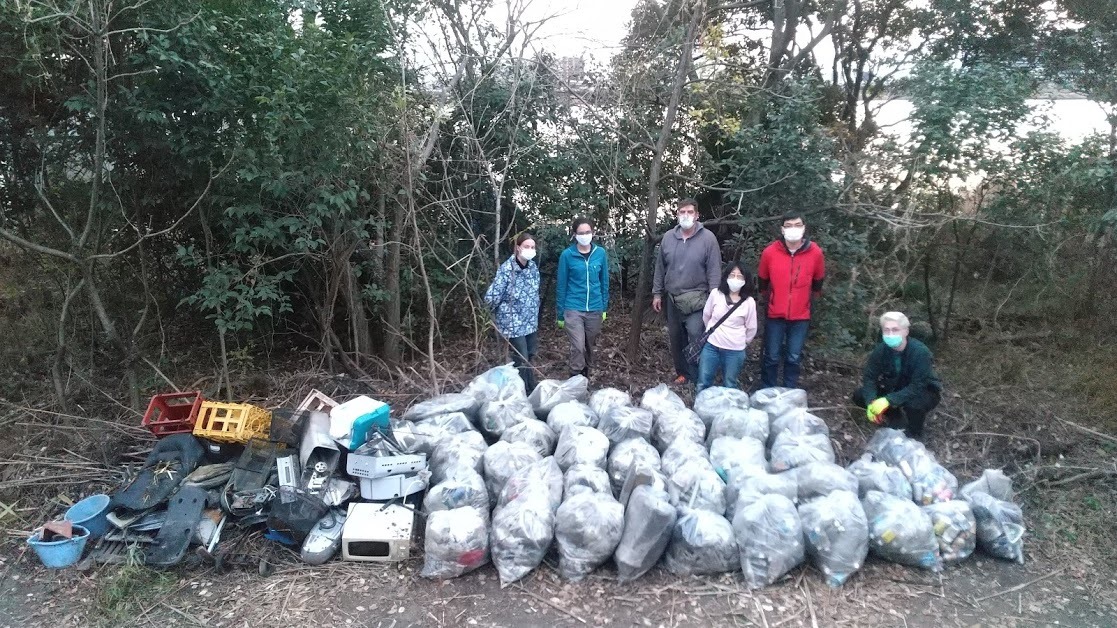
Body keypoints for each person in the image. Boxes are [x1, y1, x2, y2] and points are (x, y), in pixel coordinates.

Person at [652, 199, 722, 385]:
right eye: (682, 212)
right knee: (676, 338)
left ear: (697, 215)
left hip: (698, 299)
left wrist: (714, 297)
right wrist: (657, 293)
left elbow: (714, 270)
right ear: (677, 215)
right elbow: (660, 267)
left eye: (690, 212)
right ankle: (683, 373)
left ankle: (700, 376)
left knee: (695, 336)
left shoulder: (708, 239)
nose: (686, 215)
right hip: (673, 298)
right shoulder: (668, 237)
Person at [757, 210, 826, 388]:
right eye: (788, 226)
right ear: (782, 229)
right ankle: (767, 391)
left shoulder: (815, 252)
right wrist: (771, 300)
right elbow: (762, 282)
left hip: (801, 315)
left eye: (797, 225)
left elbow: (818, 281)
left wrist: (808, 302)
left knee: (793, 357)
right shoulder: (770, 252)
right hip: (775, 314)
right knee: (771, 356)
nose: (793, 229)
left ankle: (789, 393)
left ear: (804, 228)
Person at [853, 311, 943, 440]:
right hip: (895, 386)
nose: (890, 334)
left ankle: (914, 434)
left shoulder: (920, 353)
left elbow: (917, 385)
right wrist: (871, 402)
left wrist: (888, 400)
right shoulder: (881, 350)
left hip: (923, 390)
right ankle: (894, 415)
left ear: (905, 331)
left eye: (895, 330)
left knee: (915, 405)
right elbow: (869, 377)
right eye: (886, 330)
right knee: (859, 395)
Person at [484, 233, 541, 392]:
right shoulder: (507, 269)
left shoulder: (533, 268)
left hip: (530, 319)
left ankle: (530, 386)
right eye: (526, 247)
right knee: (521, 357)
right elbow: (492, 296)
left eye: (532, 247)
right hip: (512, 320)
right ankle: (522, 392)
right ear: (518, 248)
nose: (529, 250)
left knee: (530, 354)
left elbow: (535, 291)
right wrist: (495, 313)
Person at [556, 217, 609, 378]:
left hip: (595, 308)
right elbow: (561, 284)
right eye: (581, 233)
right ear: (574, 235)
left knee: (588, 346)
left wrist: (604, 307)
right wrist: (560, 314)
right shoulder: (567, 255)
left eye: (587, 232)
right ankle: (575, 376)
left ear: (593, 233)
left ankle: (585, 376)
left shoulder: (600, 253)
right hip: (573, 308)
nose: (584, 235)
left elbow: (604, 281)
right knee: (578, 346)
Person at [696, 262, 758, 393]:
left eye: (740, 277)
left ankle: (728, 412)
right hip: (712, 346)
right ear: (726, 277)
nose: (735, 279)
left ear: (745, 280)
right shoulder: (715, 294)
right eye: (732, 275)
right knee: (703, 382)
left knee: (730, 385)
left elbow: (751, 328)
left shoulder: (749, 302)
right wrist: (712, 332)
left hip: (734, 350)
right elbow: (706, 315)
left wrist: (742, 342)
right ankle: (700, 408)